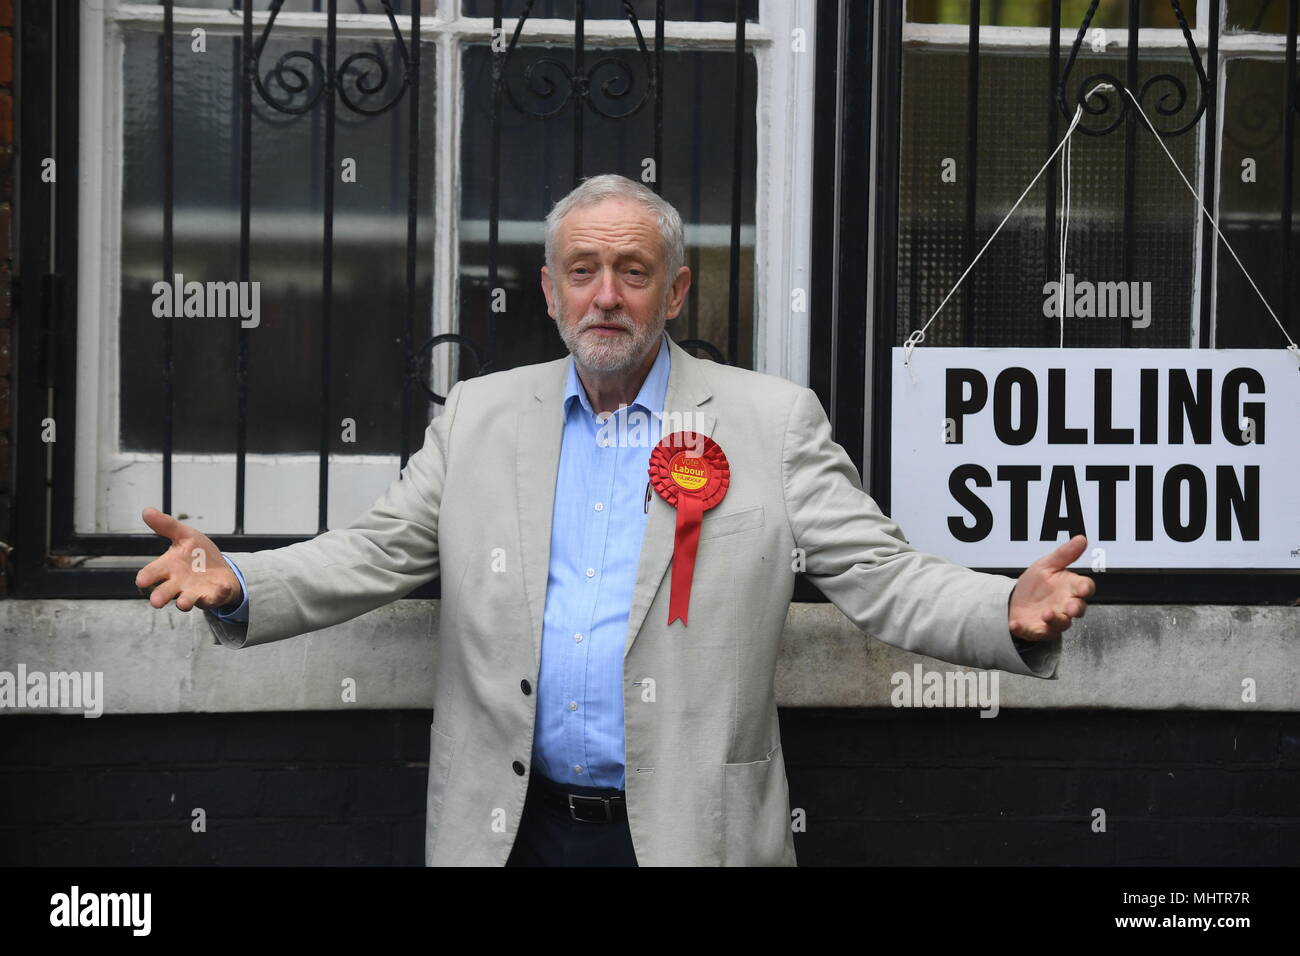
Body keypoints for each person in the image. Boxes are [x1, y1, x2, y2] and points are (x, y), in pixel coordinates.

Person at [136, 174, 1095, 866]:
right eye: (582, 270)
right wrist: (245, 582)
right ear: (550, 293)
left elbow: (879, 575)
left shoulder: (769, 421)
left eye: (633, 271)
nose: (606, 295)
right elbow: (379, 551)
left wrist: (1001, 606)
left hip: (686, 834)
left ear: (674, 292)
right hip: (511, 831)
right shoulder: (478, 415)